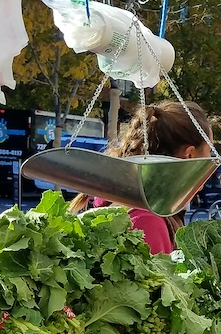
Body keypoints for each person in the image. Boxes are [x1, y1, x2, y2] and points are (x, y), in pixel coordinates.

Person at [69, 101, 211, 254]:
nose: (211, 160)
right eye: (209, 151)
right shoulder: (148, 222)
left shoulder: (135, 205)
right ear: (189, 155)